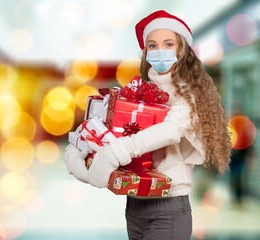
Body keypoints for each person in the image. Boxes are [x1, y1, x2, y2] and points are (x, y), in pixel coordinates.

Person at [64, 10, 232, 240]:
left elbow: (171, 130)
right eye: (152, 45)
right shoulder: (139, 91)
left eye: (169, 43)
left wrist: (117, 151)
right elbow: (111, 125)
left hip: (169, 208)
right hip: (135, 203)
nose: (160, 50)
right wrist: (80, 147)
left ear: (182, 49)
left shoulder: (191, 94)